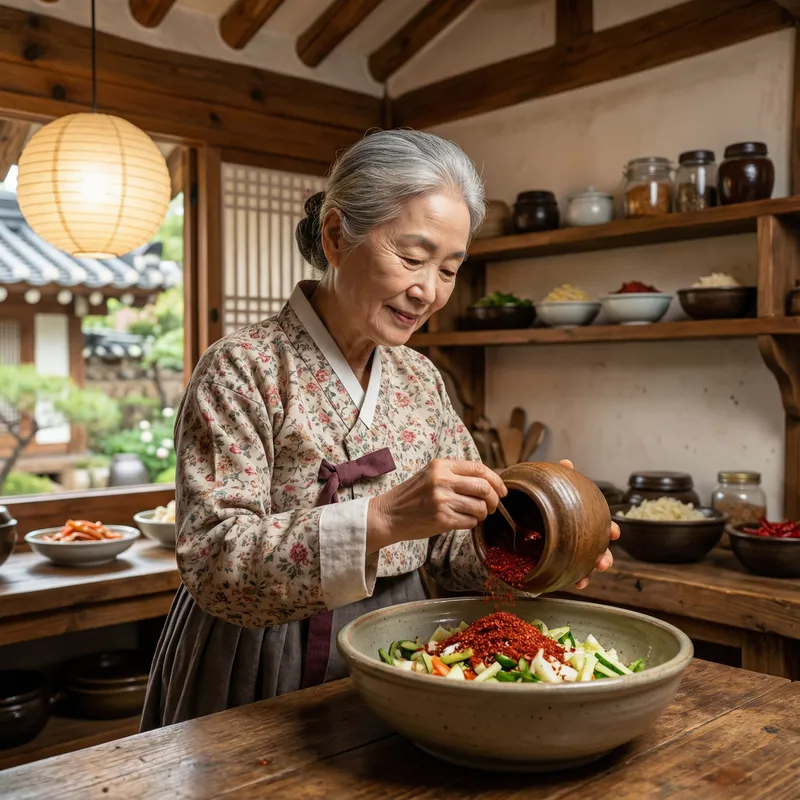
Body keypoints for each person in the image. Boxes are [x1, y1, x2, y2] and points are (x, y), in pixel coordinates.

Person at [140, 130, 619, 730]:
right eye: (412, 258)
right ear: (337, 236)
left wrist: (540, 534)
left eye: (449, 269)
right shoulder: (243, 367)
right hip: (259, 654)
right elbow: (213, 563)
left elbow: (449, 554)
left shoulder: (420, 378)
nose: (429, 291)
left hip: (400, 642)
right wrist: (382, 520)